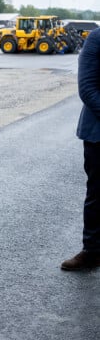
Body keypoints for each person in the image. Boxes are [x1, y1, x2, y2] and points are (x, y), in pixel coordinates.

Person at [61, 27, 100, 270]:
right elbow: (87, 88)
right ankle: (93, 250)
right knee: (97, 195)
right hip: (99, 134)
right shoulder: (96, 39)